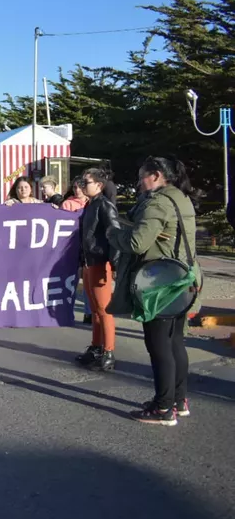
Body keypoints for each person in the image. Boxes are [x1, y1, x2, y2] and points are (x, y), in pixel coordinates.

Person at [108, 157, 198, 426]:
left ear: (156, 175)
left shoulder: (158, 202)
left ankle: (162, 409)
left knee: (159, 346)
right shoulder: (179, 197)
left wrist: (114, 234)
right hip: (184, 278)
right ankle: (177, 400)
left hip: (160, 283)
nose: (138, 182)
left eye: (142, 176)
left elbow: (137, 243)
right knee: (175, 343)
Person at [74, 168, 120, 372]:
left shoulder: (105, 206)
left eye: (87, 182)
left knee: (104, 310)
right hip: (89, 262)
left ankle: (108, 352)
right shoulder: (90, 204)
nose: (83, 185)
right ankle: (96, 348)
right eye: (83, 182)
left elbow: (114, 236)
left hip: (101, 263)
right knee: (94, 310)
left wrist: (115, 265)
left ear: (99, 185)